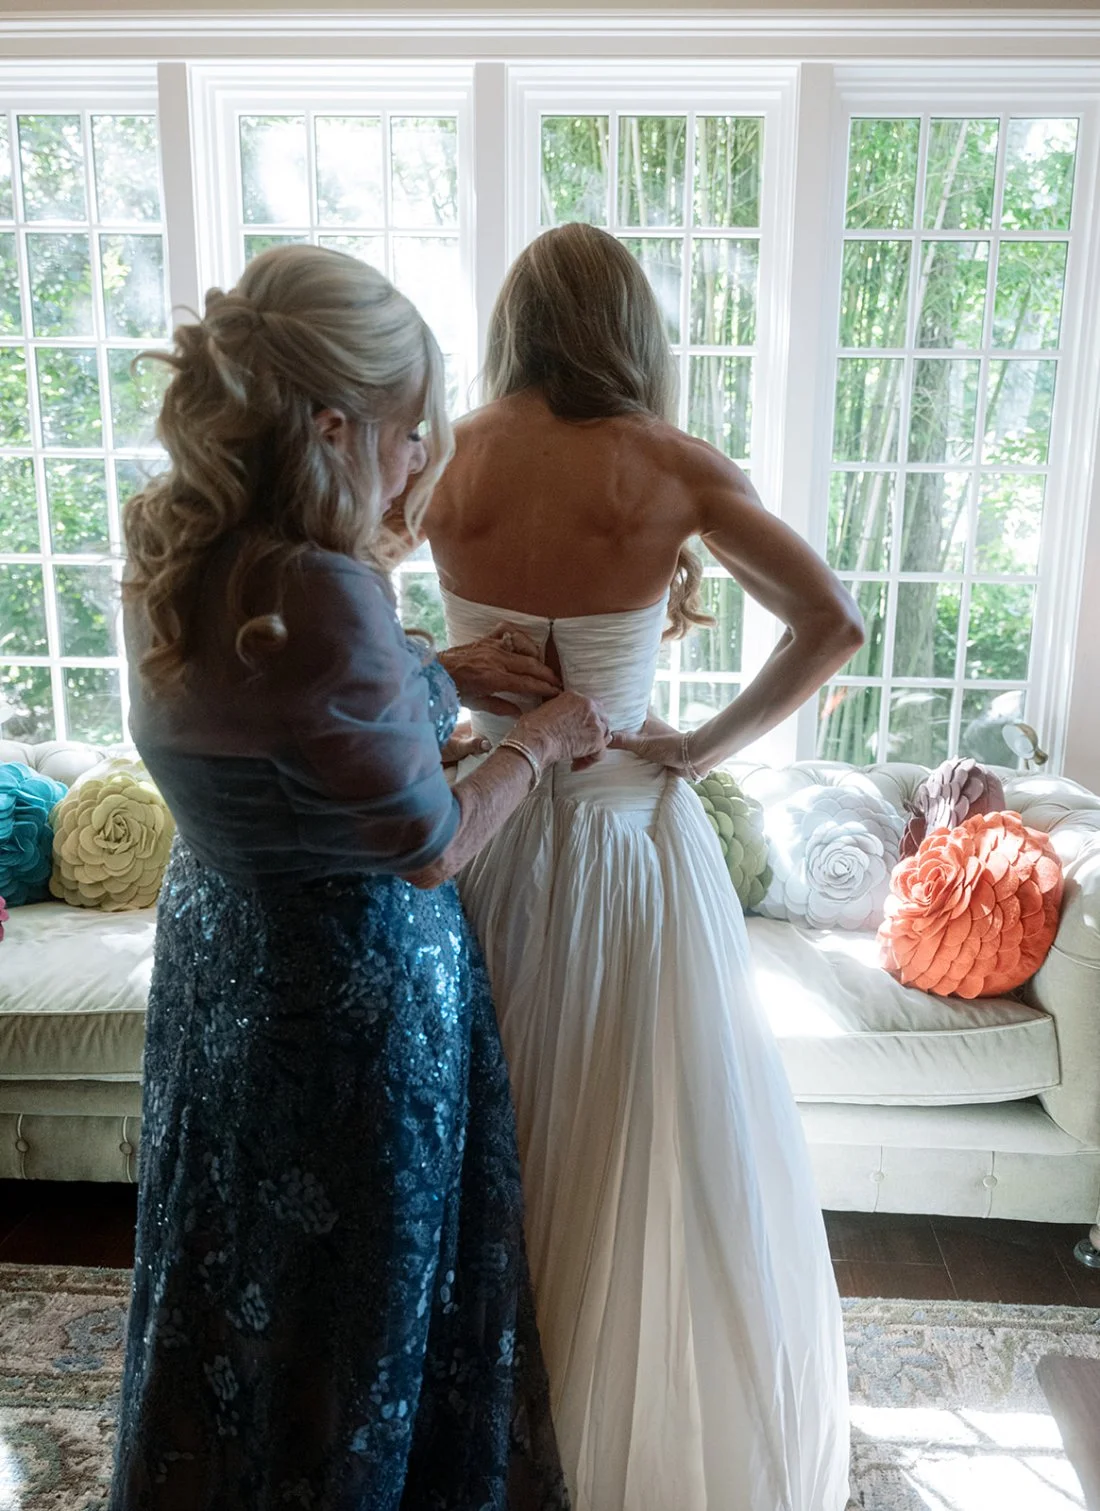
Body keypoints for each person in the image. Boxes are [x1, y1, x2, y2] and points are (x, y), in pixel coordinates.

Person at [110, 243, 610, 1511]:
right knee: (353, 1316)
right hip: (340, 1009)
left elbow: (281, 728)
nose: (416, 460)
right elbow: (430, 839)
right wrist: (539, 741)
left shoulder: (174, 543)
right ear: (332, 425)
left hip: (224, 966)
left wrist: (432, 666)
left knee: (235, 1287)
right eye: (406, 432)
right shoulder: (320, 587)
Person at [424, 223, 863, 1511]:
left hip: (484, 837)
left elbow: (315, 602)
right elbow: (831, 621)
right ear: (633, 332)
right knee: (644, 1151)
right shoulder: (667, 465)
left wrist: (432, 673)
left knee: (491, 1143)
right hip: (629, 851)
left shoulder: (442, 457)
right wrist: (701, 743)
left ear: (512, 324)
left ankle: (487, 1445)